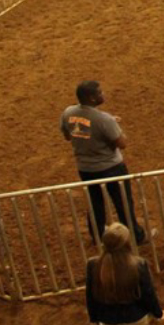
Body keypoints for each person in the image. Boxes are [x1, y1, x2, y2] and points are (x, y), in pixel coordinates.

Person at [61, 81, 149, 245]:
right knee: (122, 201)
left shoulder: (68, 112)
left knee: (95, 203)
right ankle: (136, 236)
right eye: (100, 93)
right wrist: (111, 125)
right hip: (111, 168)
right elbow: (122, 143)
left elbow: (68, 135)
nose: (103, 95)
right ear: (91, 98)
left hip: (85, 168)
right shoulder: (104, 120)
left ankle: (97, 236)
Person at [85, 223, 164, 325]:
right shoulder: (138, 264)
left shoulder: (92, 264)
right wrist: (158, 313)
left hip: (108, 317)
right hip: (134, 316)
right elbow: (148, 294)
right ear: (127, 244)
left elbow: (90, 295)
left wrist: (94, 317)